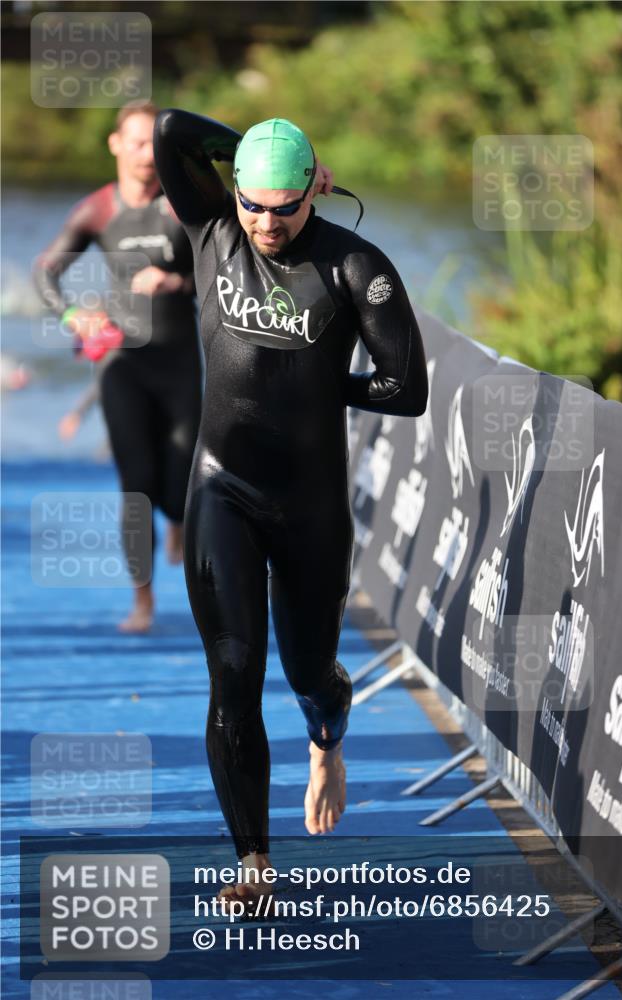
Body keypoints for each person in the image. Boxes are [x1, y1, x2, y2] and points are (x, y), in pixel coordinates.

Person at [153, 110, 428, 915]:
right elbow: (173, 129)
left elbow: (405, 388)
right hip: (221, 490)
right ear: (232, 190)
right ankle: (255, 862)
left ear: (316, 190)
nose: (269, 222)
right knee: (233, 675)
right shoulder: (209, 228)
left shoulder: (354, 265)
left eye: (287, 205)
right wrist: (261, 145)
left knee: (309, 672)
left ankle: (327, 743)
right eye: (255, 203)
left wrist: (316, 385)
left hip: (309, 507)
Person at [33, 100, 202, 632]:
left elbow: (224, 274)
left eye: (154, 144)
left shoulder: (184, 204)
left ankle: (177, 519)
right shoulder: (98, 210)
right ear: (115, 145)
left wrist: (175, 282)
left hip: (178, 363)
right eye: (135, 143)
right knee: (136, 485)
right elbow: (46, 273)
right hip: (122, 365)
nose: (146, 155)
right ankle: (143, 602)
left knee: (180, 484)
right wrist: (71, 315)